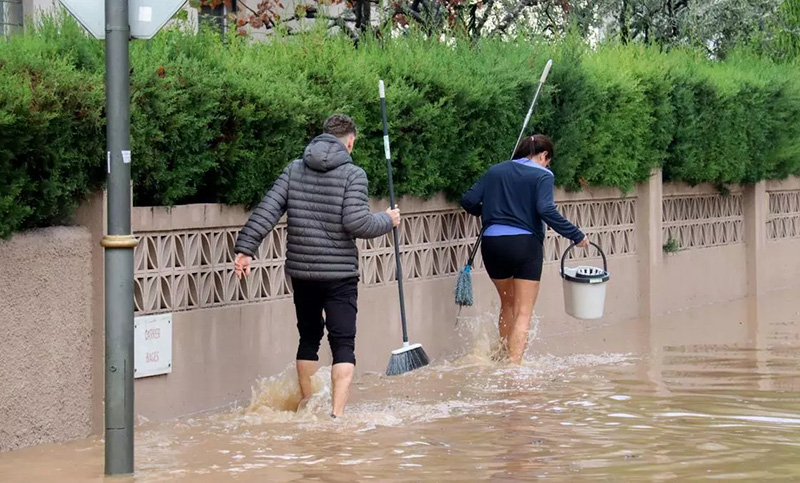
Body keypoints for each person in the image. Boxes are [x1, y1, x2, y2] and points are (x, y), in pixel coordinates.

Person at [233, 114, 401, 418]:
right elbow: (357, 222)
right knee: (343, 343)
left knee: (308, 337)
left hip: (303, 272)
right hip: (340, 275)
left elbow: (267, 209)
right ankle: (336, 417)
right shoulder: (353, 174)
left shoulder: (294, 170)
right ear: (350, 141)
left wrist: (246, 249)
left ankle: (308, 408)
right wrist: (387, 220)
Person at [460, 134, 589, 364]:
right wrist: (576, 235)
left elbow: (468, 200)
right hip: (524, 245)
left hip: (492, 245)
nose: (547, 165)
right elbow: (546, 210)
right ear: (543, 155)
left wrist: (491, 212)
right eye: (547, 161)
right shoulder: (542, 175)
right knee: (523, 311)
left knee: (507, 304)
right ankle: (514, 369)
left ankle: (500, 358)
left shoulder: (495, 171)